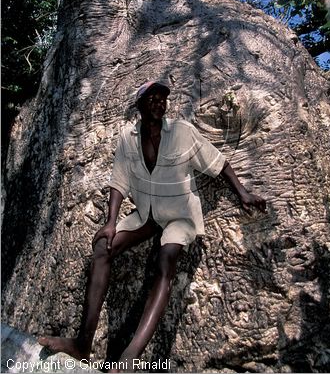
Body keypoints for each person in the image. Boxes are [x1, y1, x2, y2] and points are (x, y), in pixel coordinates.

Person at [39, 81, 266, 371]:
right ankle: (82, 343)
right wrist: (110, 223)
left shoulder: (182, 132)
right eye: (152, 99)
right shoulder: (127, 137)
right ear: (140, 105)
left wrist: (242, 193)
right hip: (146, 213)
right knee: (102, 248)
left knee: (166, 259)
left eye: (163, 99)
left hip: (179, 215)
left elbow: (217, 162)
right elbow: (119, 182)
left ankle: (130, 355)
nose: (159, 103)